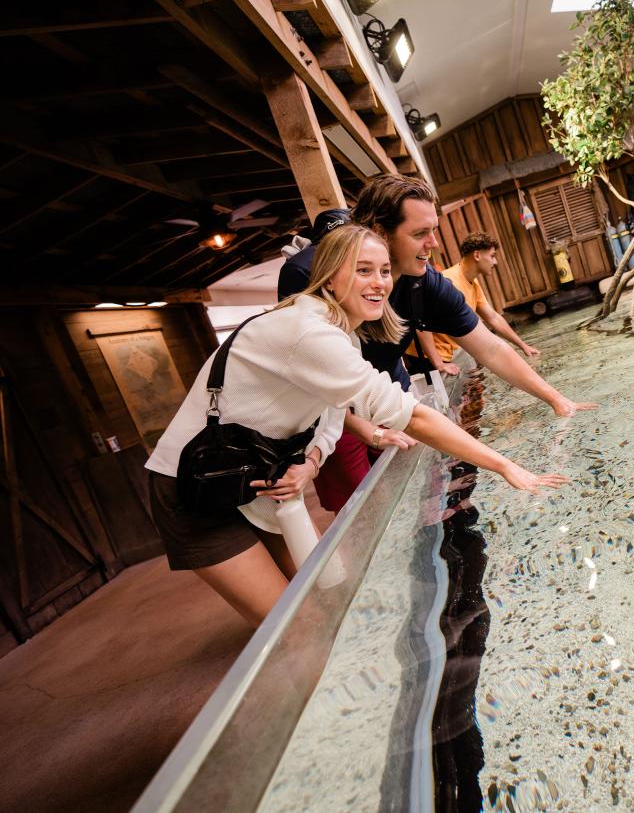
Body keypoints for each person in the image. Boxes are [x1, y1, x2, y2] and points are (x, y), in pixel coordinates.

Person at [146, 224, 567, 627]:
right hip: (190, 487)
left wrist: (311, 462)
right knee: (299, 624)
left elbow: (332, 415)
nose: (379, 282)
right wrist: (505, 465)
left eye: (383, 270)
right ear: (329, 279)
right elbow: (411, 415)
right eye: (363, 270)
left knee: (329, 597)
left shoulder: (341, 333)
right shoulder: (308, 332)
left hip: (256, 478)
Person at [278, 177, 595, 513]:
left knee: (425, 499)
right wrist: (367, 431)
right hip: (331, 406)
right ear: (379, 232)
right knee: (365, 511)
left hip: (386, 385)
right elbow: (314, 381)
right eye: (419, 234)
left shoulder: (423, 281)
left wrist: (557, 400)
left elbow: (489, 347)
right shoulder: (308, 277)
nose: (434, 244)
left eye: (434, 230)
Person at [405, 231, 539, 377]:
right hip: (425, 357)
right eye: (492, 256)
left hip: (447, 353)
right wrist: (438, 363)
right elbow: (420, 325)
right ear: (477, 255)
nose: (495, 262)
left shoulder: (473, 282)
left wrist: (523, 346)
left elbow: (493, 317)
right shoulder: (448, 282)